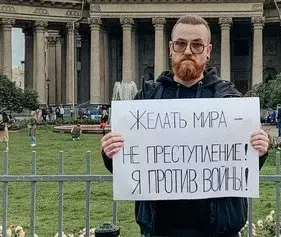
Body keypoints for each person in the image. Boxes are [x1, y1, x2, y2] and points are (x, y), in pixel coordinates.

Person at [100, 15, 269, 237]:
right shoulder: (146, 98)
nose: (188, 51)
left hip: (218, 230)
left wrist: (261, 149)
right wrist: (110, 152)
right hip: (161, 229)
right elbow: (130, 165)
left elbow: (242, 167)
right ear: (171, 49)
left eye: (197, 45)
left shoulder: (230, 98)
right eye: (181, 44)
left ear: (208, 51)